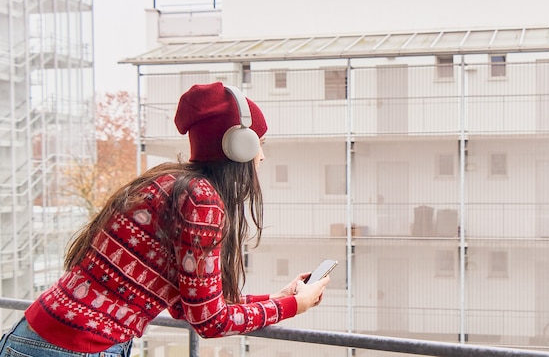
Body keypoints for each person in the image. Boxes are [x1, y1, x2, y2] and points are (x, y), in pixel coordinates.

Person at [0, 82, 329, 357]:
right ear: (238, 147)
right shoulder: (202, 201)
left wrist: (278, 298)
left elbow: (190, 304)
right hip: (76, 348)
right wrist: (293, 307)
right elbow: (210, 321)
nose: (262, 155)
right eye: (260, 144)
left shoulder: (167, 183)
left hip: (35, 334)